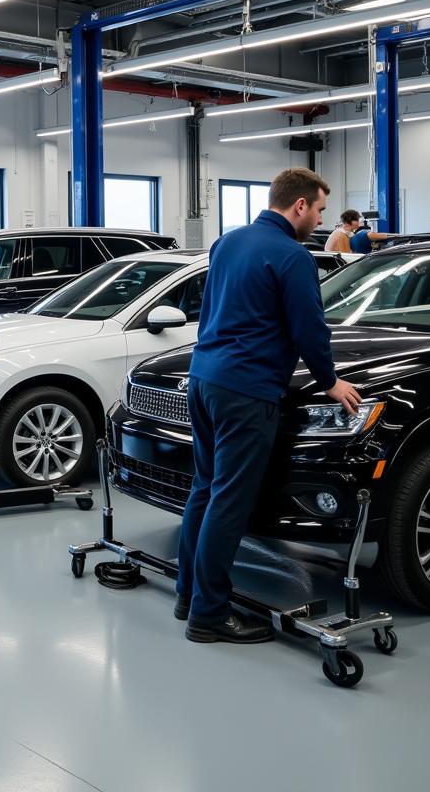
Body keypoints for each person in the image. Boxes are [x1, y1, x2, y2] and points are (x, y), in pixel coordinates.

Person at [176, 168, 361, 644]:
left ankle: (188, 595)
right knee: (229, 502)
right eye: (319, 210)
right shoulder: (292, 257)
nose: (321, 220)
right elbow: (309, 329)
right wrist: (330, 381)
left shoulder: (227, 243)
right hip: (246, 389)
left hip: (204, 379)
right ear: (299, 205)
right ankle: (210, 615)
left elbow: (212, 307)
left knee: (205, 489)